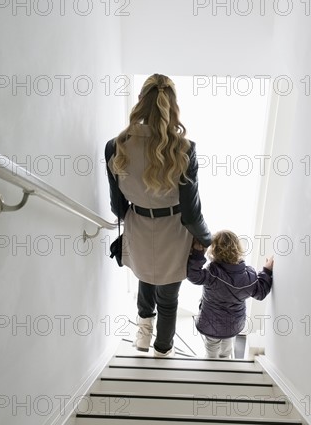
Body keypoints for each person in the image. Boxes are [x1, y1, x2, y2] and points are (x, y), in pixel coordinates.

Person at [105, 73, 211, 357]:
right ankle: (162, 350)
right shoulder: (184, 149)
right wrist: (206, 238)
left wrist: (133, 213)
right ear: (173, 105)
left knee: (145, 276)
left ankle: (142, 337)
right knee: (168, 298)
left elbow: (117, 205)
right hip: (173, 230)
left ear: (140, 101)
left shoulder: (116, 145)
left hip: (138, 223)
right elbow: (191, 210)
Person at [187, 230, 273, 359]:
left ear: (213, 251)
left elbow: (193, 275)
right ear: (238, 248)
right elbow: (260, 293)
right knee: (227, 343)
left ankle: (211, 362)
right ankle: (225, 360)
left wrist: (198, 253)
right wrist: (266, 271)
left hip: (210, 324)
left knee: (211, 345)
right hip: (233, 324)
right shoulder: (249, 277)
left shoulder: (212, 273)